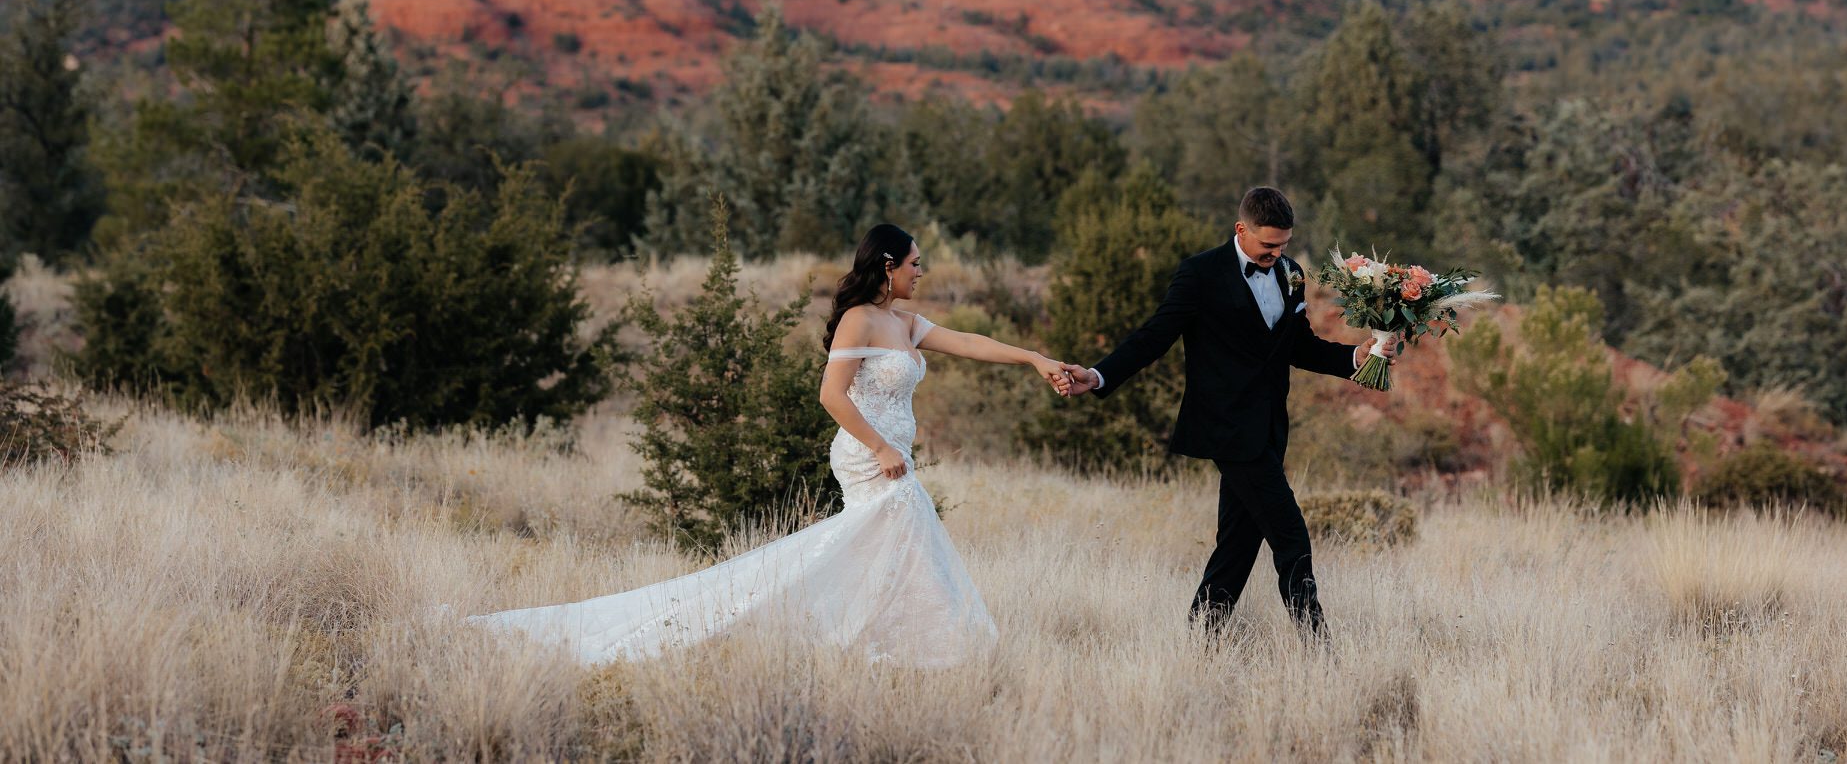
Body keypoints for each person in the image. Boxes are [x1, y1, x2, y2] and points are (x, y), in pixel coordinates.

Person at [466, 223, 1074, 666]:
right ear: (888, 266)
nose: (923, 271)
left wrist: (1032, 358)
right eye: (916, 263)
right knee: (899, 540)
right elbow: (832, 396)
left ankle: (895, 649)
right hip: (869, 457)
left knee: (890, 550)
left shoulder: (905, 323)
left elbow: (969, 341)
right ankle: (906, 647)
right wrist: (882, 448)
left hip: (894, 457)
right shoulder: (861, 318)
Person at [1059, 186, 1381, 639]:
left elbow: (1299, 347)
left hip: (1269, 428)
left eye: (1283, 245)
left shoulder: (1291, 273)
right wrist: (1098, 376)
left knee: (1237, 544)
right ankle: (1319, 649)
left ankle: (1202, 641)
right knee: (1291, 537)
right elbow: (1153, 337)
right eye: (1268, 246)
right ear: (1240, 229)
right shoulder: (1199, 274)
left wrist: (1356, 358)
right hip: (1225, 426)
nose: (1276, 254)